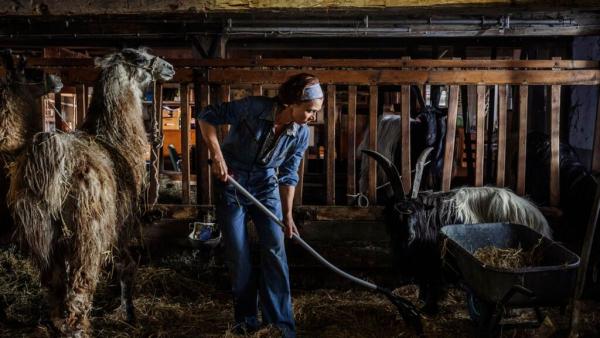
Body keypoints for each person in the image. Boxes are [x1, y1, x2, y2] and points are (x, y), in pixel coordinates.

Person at [197, 73, 323, 337]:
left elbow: (288, 174)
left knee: (276, 250)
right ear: (292, 104)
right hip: (233, 181)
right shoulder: (254, 107)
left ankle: (280, 325)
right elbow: (207, 116)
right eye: (310, 111)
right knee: (239, 255)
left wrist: (287, 215)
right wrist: (217, 156)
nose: (313, 117)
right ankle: (246, 324)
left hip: (266, 185)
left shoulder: (300, 134)